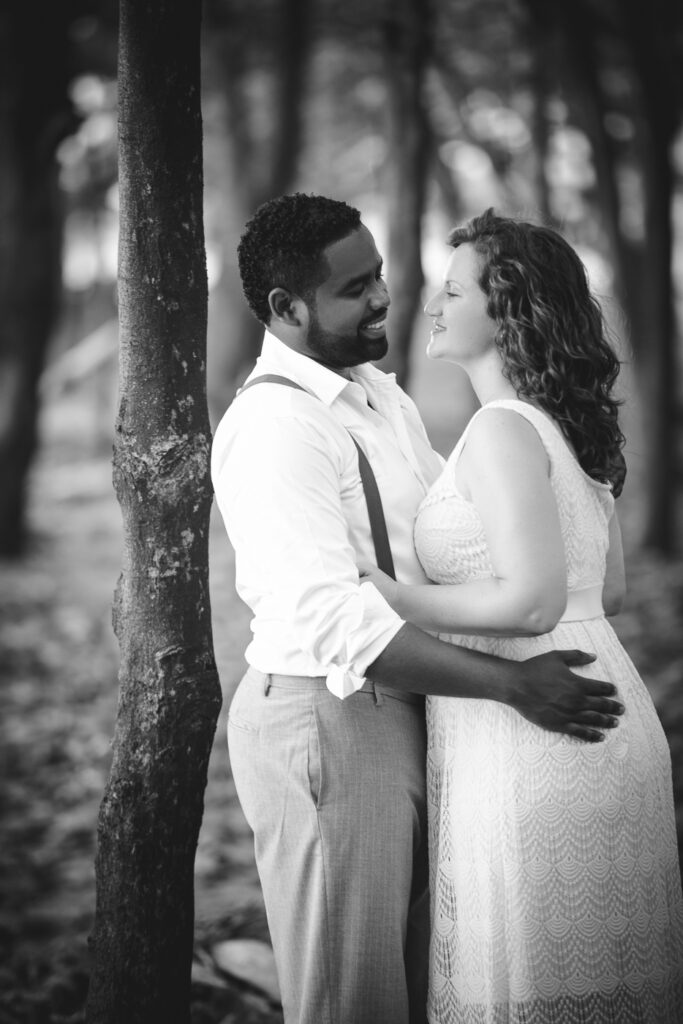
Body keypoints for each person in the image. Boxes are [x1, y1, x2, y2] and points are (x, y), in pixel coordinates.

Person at [210, 194, 625, 1024]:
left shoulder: (375, 395)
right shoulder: (275, 428)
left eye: (379, 275)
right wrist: (511, 686)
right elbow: (332, 621)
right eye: (352, 288)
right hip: (328, 716)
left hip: (414, 699)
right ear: (287, 309)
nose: (382, 298)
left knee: (414, 978)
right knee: (349, 996)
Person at [360, 209, 683, 1023]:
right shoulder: (564, 427)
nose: (431, 302)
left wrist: (395, 598)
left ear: (507, 308)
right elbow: (597, 596)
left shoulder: (502, 430)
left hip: (537, 735)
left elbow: (534, 601)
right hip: (592, 702)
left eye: (453, 287)